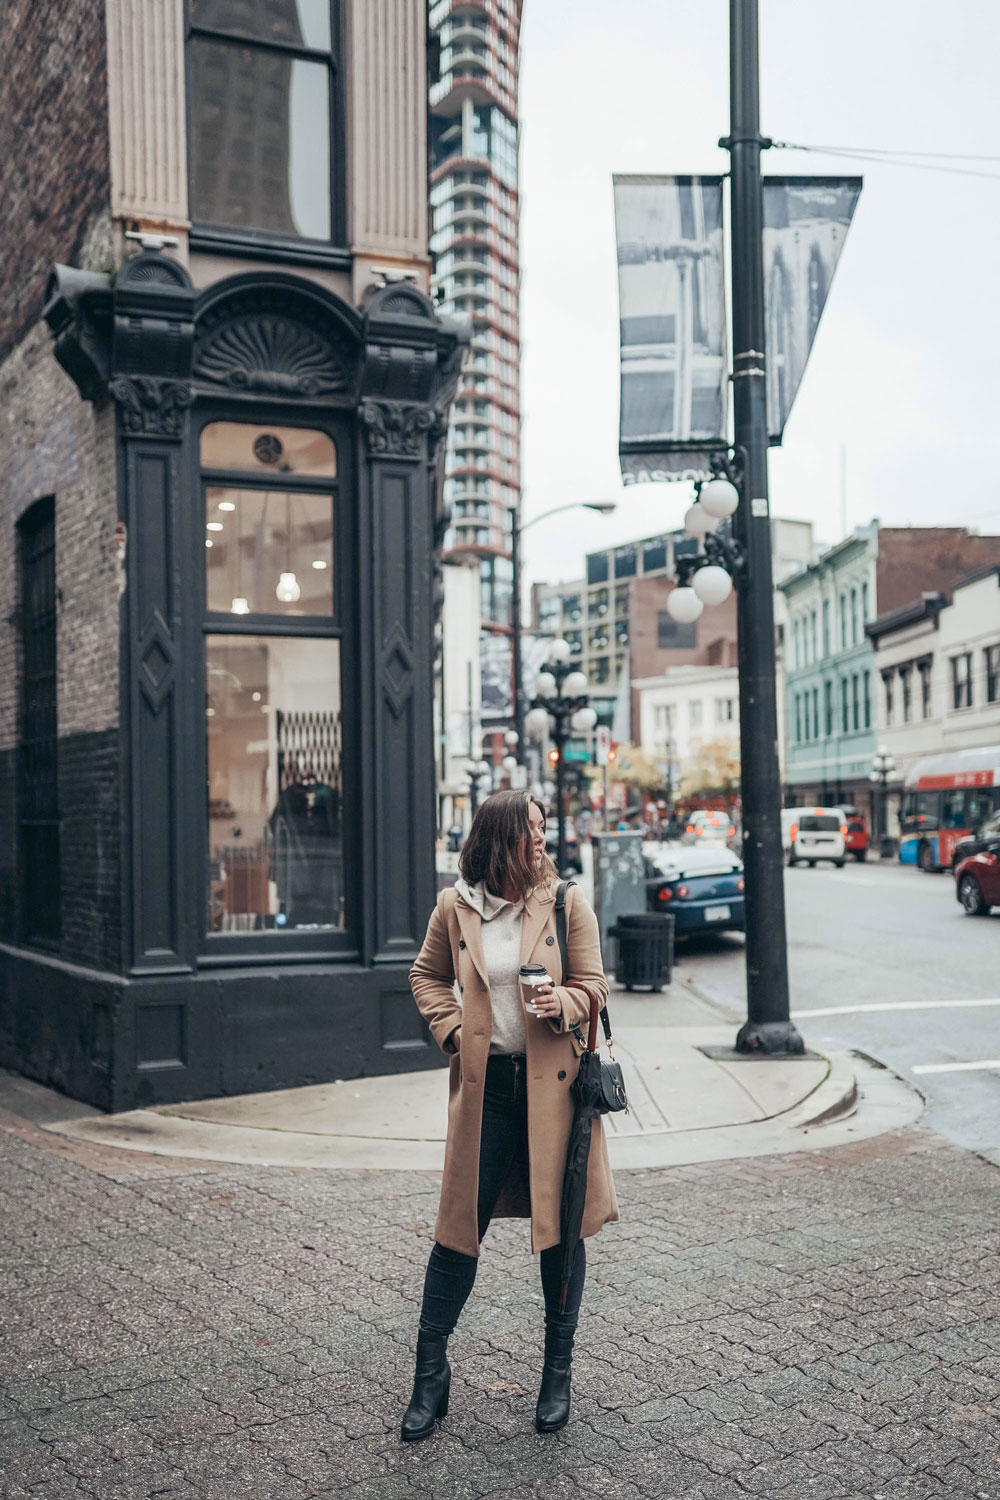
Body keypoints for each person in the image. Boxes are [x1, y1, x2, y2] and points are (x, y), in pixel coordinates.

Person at [403, 790, 618, 1442]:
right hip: (488, 1090)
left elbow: (597, 984)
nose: (542, 840)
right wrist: (451, 1032)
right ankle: (429, 1373)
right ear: (500, 839)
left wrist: (568, 1003)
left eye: (544, 829)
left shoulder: (565, 903)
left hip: (553, 1091)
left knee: (560, 1231)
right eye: (531, 831)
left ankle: (557, 1373)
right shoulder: (455, 906)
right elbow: (425, 976)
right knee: (457, 1231)